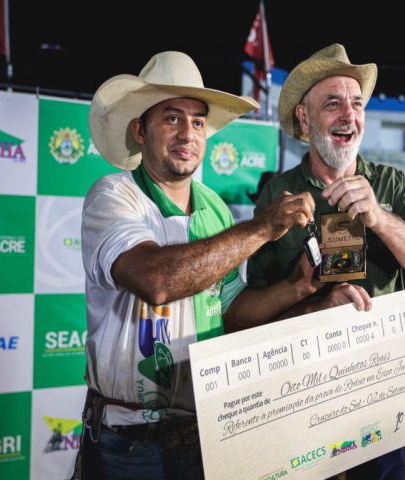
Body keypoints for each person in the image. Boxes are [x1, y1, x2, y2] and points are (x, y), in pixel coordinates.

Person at [75, 51, 352, 480]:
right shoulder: (114, 196)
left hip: (208, 431)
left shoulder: (215, 209)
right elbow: (156, 280)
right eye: (171, 118)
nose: (188, 132)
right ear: (140, 129)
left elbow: (230, 311)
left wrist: (299, 291)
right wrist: (262, 228)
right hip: (131, 440)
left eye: (198, 122)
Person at [240, 43, 405, 480]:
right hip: (301, 392)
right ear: (304, 118)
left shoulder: (391, 183)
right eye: (331, 103)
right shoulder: (277, 196)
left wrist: (380, 218)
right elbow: (250, 315)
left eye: (356, 103)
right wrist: (312, 304)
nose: (347, 115)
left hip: (382, 387)